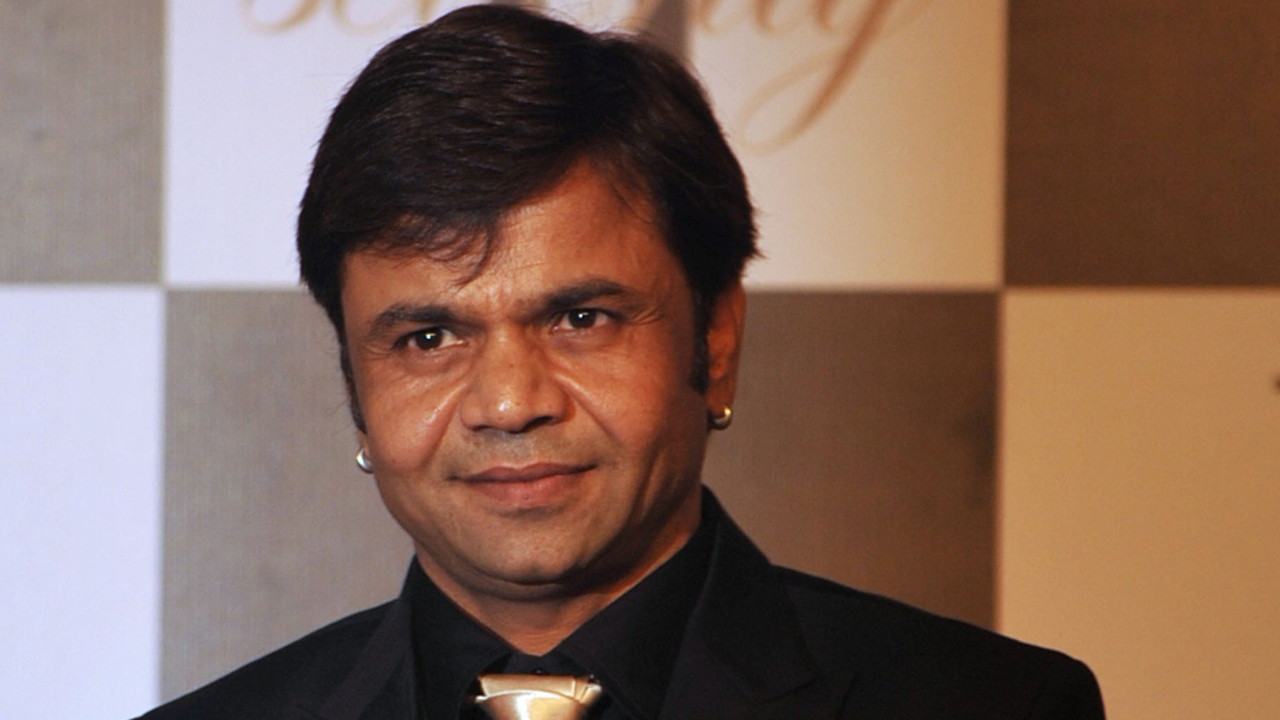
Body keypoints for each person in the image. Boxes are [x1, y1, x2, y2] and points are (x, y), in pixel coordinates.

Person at [139, 4, 1104, 719]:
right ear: (356, 385)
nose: (508, 403)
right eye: (428, 338)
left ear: (715, 340)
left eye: (580, 318)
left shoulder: (996, 706)